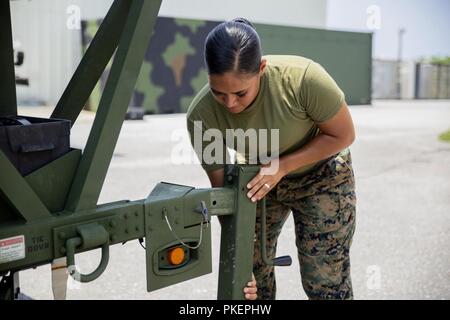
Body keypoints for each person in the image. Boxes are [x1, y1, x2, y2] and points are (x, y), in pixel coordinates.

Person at [186, 18, 356, 300]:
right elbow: (224, 195)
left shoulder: (304, 79)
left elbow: (343, 135)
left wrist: (283, 166)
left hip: (321, 175)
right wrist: (240, 258)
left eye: (240, 93)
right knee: (247, 284)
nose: (230, 104)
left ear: (261, 69)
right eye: (218, 92)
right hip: (257, 181)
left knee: (324, 280)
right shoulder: (201, 116)